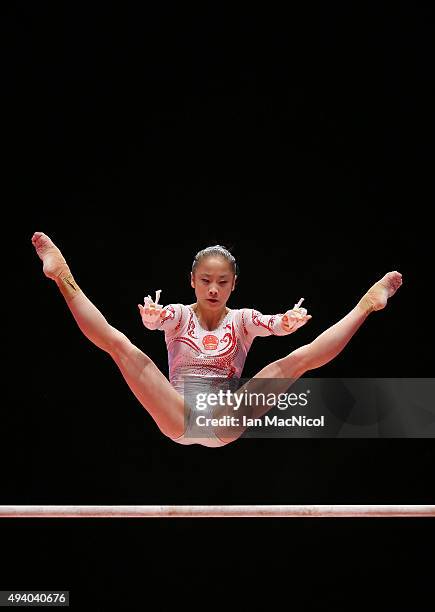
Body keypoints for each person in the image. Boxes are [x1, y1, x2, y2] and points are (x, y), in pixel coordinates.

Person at [31, 232, 403, 448]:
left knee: (293, 361)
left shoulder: (243, 320)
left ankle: (366, 306)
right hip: (177, 415)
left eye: (223, 282)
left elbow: (275, 325)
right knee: (121, 346)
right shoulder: (177, 314)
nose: (213, 289)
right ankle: (63, 277)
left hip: (226, 419)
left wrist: (287, 322)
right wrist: (150, 319)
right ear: (192, 280)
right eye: (206, 281)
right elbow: (155, 322)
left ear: (234, 285)